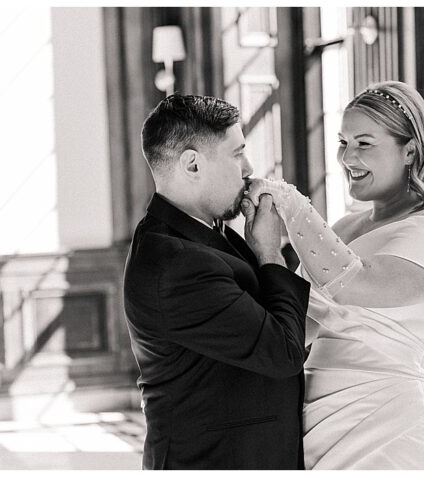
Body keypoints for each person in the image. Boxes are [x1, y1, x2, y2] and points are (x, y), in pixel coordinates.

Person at [246, 80, 424, 469]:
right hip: (320, 420)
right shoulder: (342, 229)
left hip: (399, 425)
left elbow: (357, 285)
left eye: (364, 143)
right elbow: (299, 324)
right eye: (343, 143)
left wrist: (290, 203)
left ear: (410, 150)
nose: (347, 157)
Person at [122, 93, 311, 470]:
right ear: (192, 164)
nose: (249, 167)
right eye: (237, 152)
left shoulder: (205, 232)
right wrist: (270, 255)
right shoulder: (175, 263)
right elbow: (283, 352)